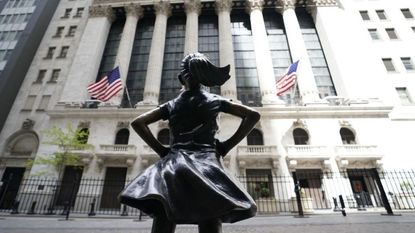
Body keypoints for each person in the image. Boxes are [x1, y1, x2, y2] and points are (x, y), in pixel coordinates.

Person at [119, 53, 260, 233]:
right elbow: (253, 115)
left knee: (166, 210)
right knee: (210, 211)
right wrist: (226, 146)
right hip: (207, 164)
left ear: (181, 79)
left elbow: (138, 122)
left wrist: (162, 150)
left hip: (174, 163)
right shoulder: (215, 100)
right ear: (203, 78)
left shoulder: (172, 104)